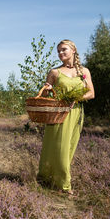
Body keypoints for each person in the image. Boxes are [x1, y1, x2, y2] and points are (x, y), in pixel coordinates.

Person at [36, 39, 95, 195]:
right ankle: (64, 186)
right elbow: (48, 94)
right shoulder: (54, 72)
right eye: (59, 51)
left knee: (68, 149)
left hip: (76, 114)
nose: (60, 53)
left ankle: (52, 180)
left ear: (73, 50)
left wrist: (76, 99)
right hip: (58, 113)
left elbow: (91, 93)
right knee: (56, 148)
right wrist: (48, 88)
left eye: (64, 50)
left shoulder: (84, 71)